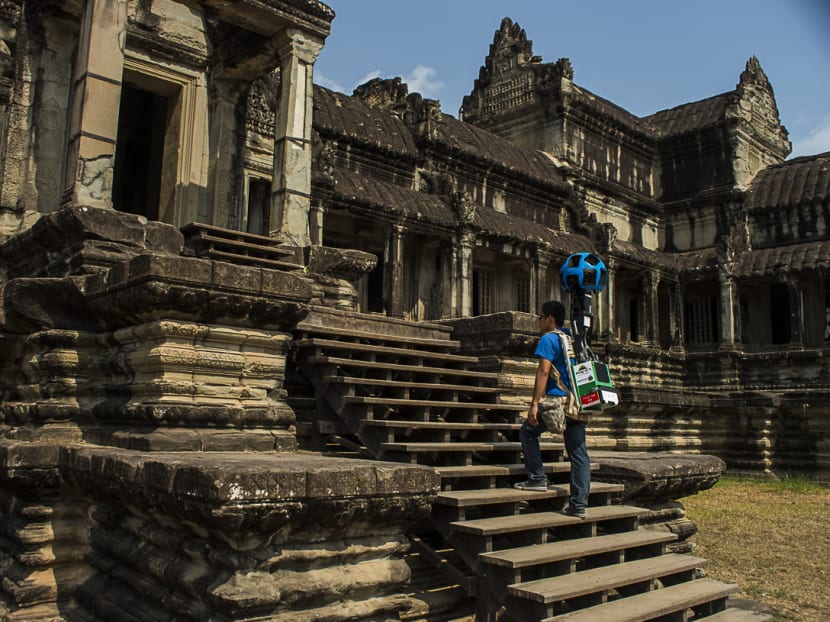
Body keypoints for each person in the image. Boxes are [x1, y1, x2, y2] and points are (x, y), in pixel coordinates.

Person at [513, 300, 591, 518]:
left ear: (549, 318)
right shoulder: (572, 338)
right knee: (578, 453)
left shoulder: (549, 339)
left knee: (527, 431)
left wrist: (535, 404)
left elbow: (543, 373)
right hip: (577, 403)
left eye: (541, 317)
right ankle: (579, 505)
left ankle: (537, 478)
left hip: (557, 402)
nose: (538, 321)